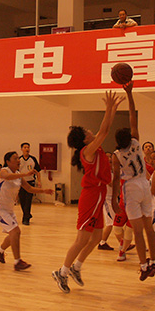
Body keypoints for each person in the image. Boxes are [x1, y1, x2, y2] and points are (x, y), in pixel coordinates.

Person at [53, 90, 124, 293]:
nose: (89, 130)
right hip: (91, 196)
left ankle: (76, 267)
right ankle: (62, 272)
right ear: (84, 139)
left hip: (99, 195)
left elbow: (104, 130)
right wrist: (109, 108)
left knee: (95, 238)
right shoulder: (88, 151)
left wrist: (113, 109)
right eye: (85, 130)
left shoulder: (93, 149)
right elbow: (104, 131)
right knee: (82, 239)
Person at [110, 82, 155, 281]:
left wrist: (114, 200)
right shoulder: (137, 142)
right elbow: (132, 116)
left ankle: (143, 265)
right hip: (145, 185)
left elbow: (115, 179)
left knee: (137, 231)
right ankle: (153, 260)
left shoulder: (116, 156)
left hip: (131, 188)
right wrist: (129, 94)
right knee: (149, 228)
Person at [0, 151, 53, 271]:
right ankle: (17, 262)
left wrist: (44, 191)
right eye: (15, 158)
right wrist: (25, 174)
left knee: (14, 233)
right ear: (8, 161)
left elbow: (29, 188)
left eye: (18, 158)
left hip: (9, 209)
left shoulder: (18, 175)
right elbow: (7, 177)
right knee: (15, 231)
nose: (18, 160)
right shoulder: (3, 171)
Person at [18, 142, 41, 225]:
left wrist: (39, 181)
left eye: (28, 147)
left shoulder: (33, 159)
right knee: (22, 200)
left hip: (30, 182)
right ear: (21, 149)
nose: (27, 149)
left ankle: (26, 219)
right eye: (25, 147)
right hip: (21, 182)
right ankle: (27, 214)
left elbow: (37, 171)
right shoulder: (19, 160)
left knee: (28, 200)